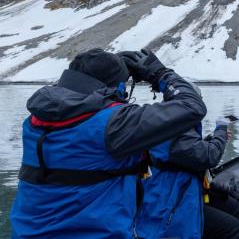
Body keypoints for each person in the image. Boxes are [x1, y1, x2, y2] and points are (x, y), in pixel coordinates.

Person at [10, 48, 207, 239]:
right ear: (115, 87)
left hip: (27, 232)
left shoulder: (36, 119)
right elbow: (192, 106)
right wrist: (159, 73)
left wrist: (115, 70)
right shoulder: (113, 124)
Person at [136, 114, 239, 239]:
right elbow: (210, 156)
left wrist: (208, 141)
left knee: (233, 207)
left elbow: (191, 151)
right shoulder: (174, 125)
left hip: (184, 189)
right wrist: (221, 130)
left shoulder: (170, 122)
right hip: (172, 199)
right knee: (232, 229)